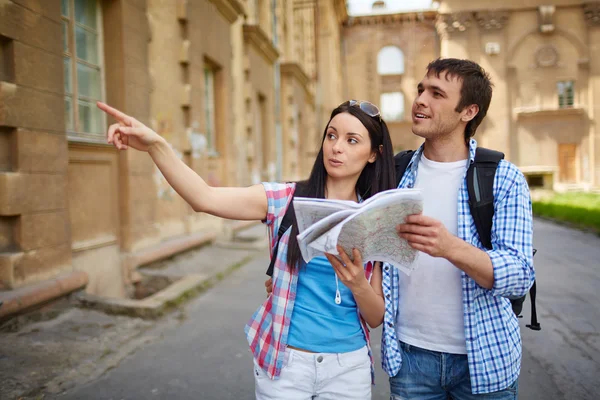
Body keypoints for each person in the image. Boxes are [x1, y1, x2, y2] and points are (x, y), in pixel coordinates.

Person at [97, 99, 396, 400]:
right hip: (286, 366)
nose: (336, 147)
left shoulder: (375, 219)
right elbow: (204, 197)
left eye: (351, 140)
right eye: (331, 135)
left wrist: (357, 283)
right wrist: (156, 145)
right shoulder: (285, 199)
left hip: (348, 370)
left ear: (373, 154)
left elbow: (374, 318)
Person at [383, 58, 535, 399]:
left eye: (437, 93)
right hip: (410, 359)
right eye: (421, 89)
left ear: (468, 111)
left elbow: (520, 274)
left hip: (485, 358)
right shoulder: (394, 175)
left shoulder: (502, 177)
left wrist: (450, 247)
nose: (421, 99)